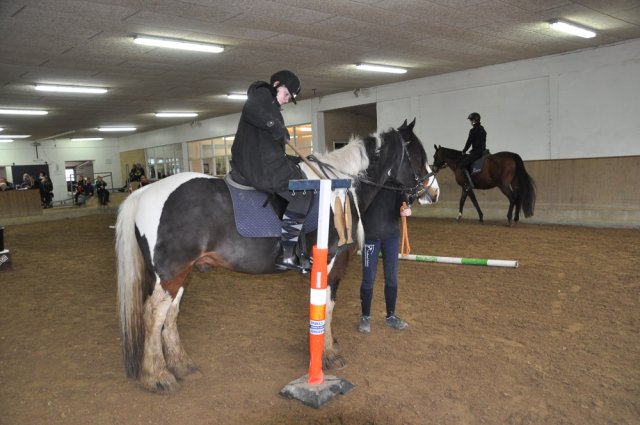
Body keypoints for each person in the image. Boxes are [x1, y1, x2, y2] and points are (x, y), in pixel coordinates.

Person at [230, 69, 309, 271]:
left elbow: (271, 147)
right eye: (286, 94)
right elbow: (251, 109)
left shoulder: (271, 106)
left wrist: (293, 159)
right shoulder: (262, 92)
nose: (287, 100)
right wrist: (276, 126)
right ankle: (288, 252)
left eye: (290, 97)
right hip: (259, 165)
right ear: (276, 85)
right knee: (303, 191)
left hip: (263, 161)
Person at [358, 189, 412, 333]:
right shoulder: (368, 182)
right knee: (368, 278)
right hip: (370, 236)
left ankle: (391, 316)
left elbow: (402, 202)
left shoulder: (396, 184)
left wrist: (404, 209)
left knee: (391, 277)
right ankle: (365, 317)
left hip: (391, 237)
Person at [459, 112, 487, 191]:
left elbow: (469, 142)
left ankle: (470, 184)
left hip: (476, 152)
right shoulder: (483, 130)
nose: (470, 122)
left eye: (471, 120)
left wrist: (464, 151)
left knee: (462, 165)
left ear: (474, 121)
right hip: (483, 151)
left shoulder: (473, 130)